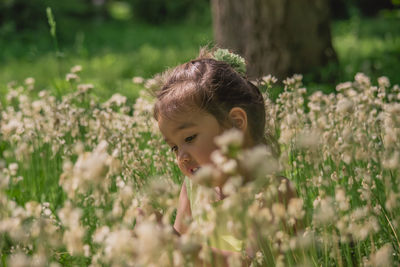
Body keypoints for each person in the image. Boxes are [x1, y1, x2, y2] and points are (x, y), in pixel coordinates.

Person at [153, 49, 293, 265]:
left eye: (189, 138)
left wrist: (180, 247)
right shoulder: (193, 189)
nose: (182, 157)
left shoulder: (273, 192)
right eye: (174, 147)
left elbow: (253, 262)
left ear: (236, 123)